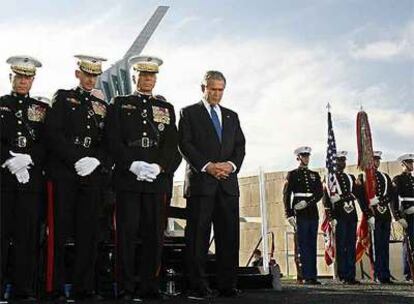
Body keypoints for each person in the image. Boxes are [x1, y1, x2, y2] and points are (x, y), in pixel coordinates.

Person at [105, 55, 179, 301]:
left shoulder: (166, 108)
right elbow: (112, 139)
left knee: (154, 237)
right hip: (129, 180)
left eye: (152, 76)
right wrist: (132, 164)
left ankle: (150, 285)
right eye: (143, 75)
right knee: (125, 235)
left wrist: (159, 167)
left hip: (156, 182)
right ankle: (125, 286)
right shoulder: (120, 103)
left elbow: (172, 145)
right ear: (135, 77)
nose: (148, 79)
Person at [44, 55, 110, 300]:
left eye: (94, 75)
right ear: (77, 74)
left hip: (91, 175)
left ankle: (85, 287)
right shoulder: (62, 97)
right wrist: (76, 159)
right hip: (64, 173)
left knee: (88, 235)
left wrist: (96, 160)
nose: (90, 79)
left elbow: (108, 140)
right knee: (58, 234)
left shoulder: (103, 106)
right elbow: (53, 134)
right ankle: (54, 288)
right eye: (87, 74)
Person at [178, 70, 246, 300]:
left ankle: (227, 284)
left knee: (229, 236)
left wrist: (230, 165)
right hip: (201, 184)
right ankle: (197, 285)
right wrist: (207, 166)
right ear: (203, 88)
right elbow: (185, 144)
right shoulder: (188, 113)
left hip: (227, 184)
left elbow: (240, 146)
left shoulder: (232, 116)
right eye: (212, 89)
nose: (217, 94)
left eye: (220, 90)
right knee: (198, 237)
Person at [0, 56, 47, 302]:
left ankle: (23, 289)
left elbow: (47, 143)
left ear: (32, 80)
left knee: (26, 238)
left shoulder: (42, 109)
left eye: (27, 77)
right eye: (18, 77)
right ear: (11, 78)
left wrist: (27, 160)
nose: (23, 81)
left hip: (30, 184)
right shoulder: (1, 104)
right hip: (3, 183)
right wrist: (10, 161)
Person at [322, 151, 369, 284]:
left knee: (350, 245)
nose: (342, 163)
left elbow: (359, 195)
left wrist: (367, 213)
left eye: (344, 161)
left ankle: (351, 274)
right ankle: (342, 275)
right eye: (339, 161)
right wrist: (331, 216)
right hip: (339, 216)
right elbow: (326, 199)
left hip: (351, 215)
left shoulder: (351, 178)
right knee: (341, 246)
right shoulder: (330, 179)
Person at [283, 146, 323, 285]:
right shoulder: (292, 174)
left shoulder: (315, 175)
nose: (306, 158)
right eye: (303, 156)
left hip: (311, 211)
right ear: (298, 158)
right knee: (302, 244)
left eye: (307, 156)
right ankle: (303, 275)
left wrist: (307, 203)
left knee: (312, 244)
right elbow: (287, 195)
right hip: (299, 213)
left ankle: (312, 275)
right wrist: (288, 213)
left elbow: (319, 193)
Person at [360, 151, 394, 284]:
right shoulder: (364, 177)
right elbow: (362, 199)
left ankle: (385, 273)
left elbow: (391, 193)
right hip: (374, 215)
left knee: (384, 246)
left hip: (385, 214)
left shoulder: (385, 176)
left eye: (378, 160)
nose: (377, 162)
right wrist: (368, 215)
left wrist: (380, 201)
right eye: (374, 160)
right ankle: (378, 273)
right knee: (375, 246)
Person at [391, 153, 414, 281]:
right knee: (409, 243)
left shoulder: (413, 179)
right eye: (409, 163)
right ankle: (409, 272)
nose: (411, 165)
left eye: (412, 163)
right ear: (403, 165)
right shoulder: (398, 179)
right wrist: (399, 217)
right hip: (407, 215)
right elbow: (394, 201)